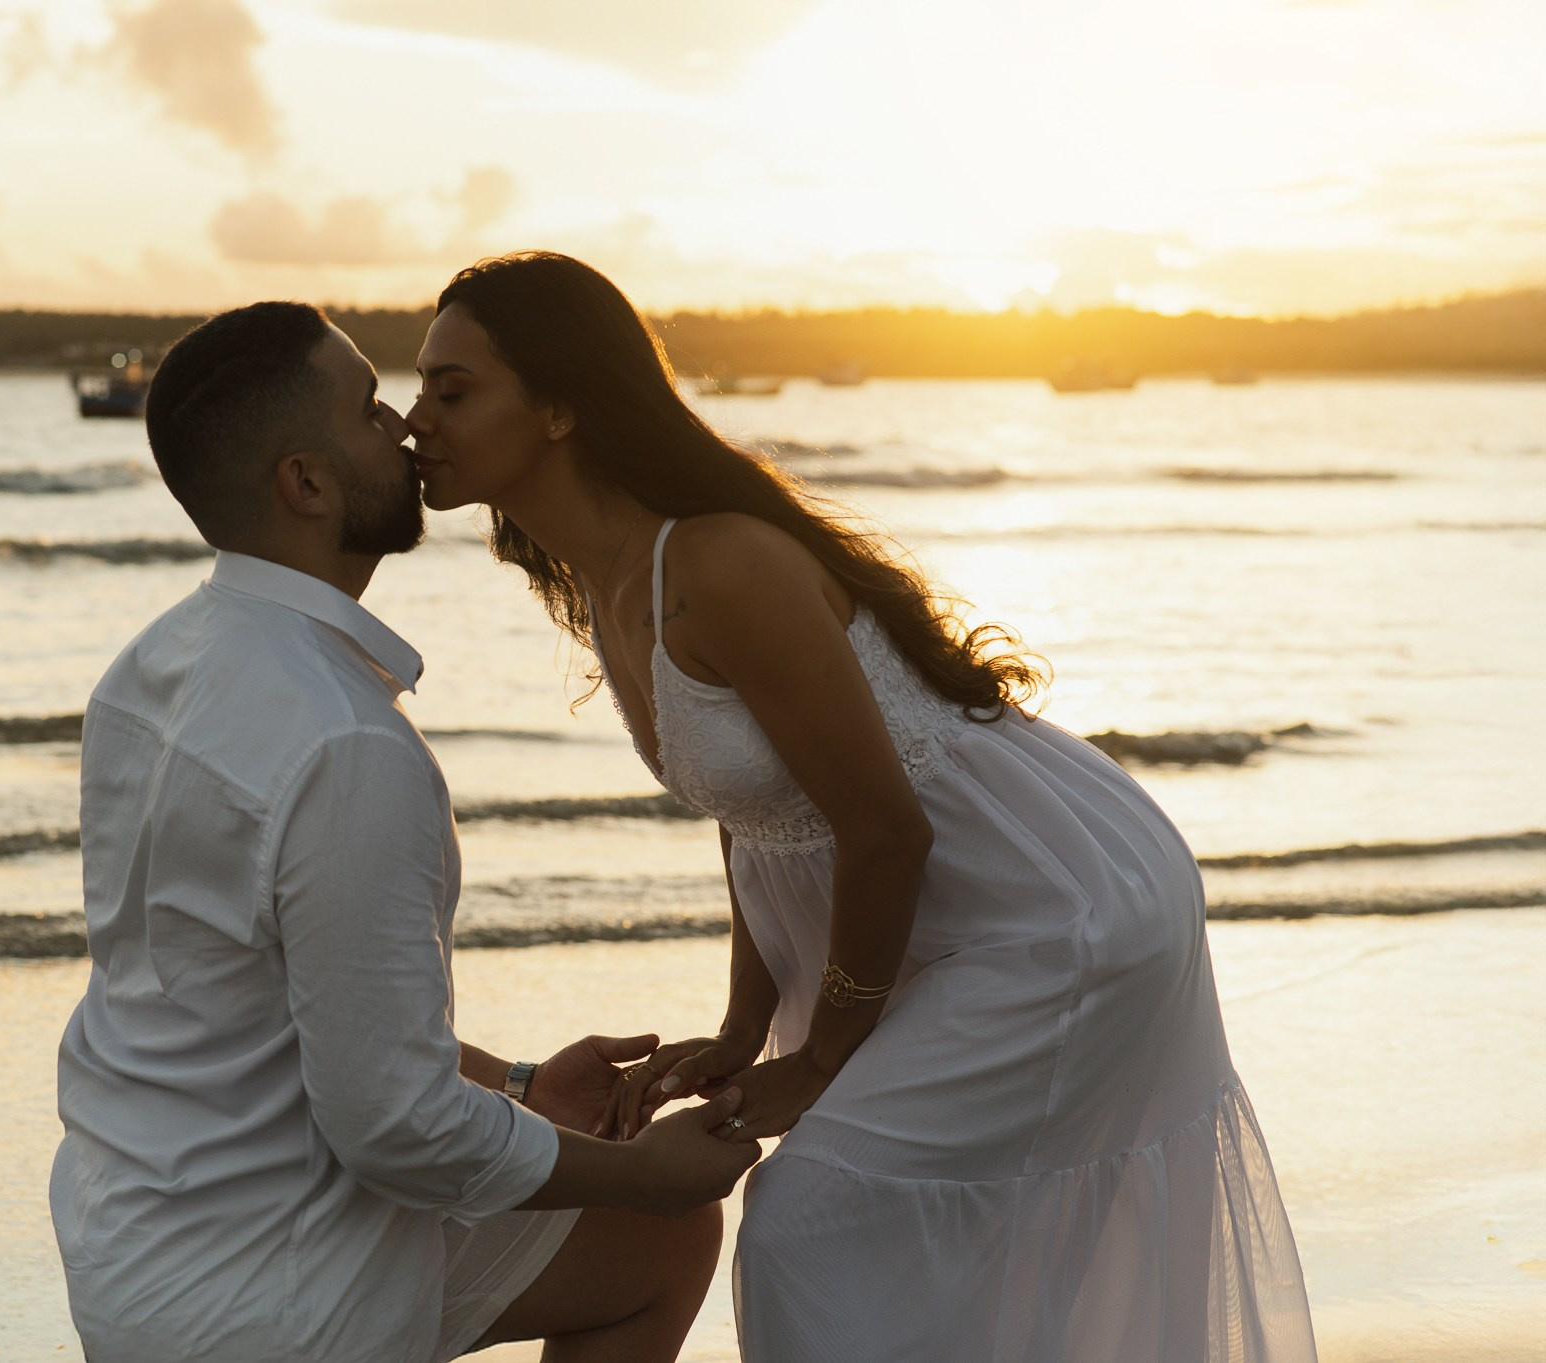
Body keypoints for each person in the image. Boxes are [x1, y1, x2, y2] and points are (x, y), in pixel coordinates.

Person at [405, 252, 1319, 1362]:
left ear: (558, 405)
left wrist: (817, 1055)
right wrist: (744, 1027)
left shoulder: (721, 562)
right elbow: (753, 813)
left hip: (1054, 917)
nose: (416, 422)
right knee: (870, 1232)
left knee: (808, 1220)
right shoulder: (605, 579)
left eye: (451, 390)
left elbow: (887, 829)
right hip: (925, 919)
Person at [48, 300, 759, 1363]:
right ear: (306, 482)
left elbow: (276, 999)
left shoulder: (148, 672)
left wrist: (519, 1088)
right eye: (370, 407)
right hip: (273, 1295)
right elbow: (394, 1130)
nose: (408, 428)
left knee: (648, 1246)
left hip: (133, 1246)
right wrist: (641, 1169)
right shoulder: (346, 745)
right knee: (653, 1207)